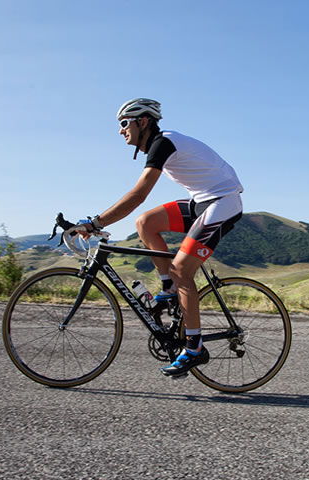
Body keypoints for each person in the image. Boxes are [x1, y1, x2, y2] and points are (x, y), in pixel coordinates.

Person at [77, 98, 243, 376]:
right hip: (203, 201)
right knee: (145, 223)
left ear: (143, 122)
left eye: (124, 123)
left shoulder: (163, 143)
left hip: (222, 202)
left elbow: (138, 194)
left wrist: (96, 223)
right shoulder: (159, 145)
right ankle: (169, 290)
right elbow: (140, 206)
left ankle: (194, 349)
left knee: (181, 270)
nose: (121, 131)